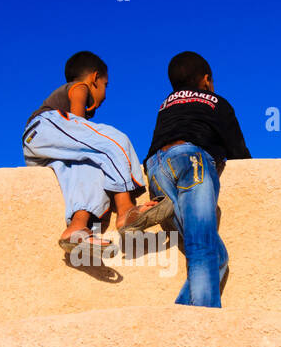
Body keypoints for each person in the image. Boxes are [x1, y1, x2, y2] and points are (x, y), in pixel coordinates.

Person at [22, 50, 163, 255]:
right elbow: (77, 125)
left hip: (44, 150)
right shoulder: (79, 88)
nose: (105, 93)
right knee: (115, 140)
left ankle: (77, 226)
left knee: (89, 170)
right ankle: (125, 209)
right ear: (95, 78)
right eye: (106, 85)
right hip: (44, 128)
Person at [143, 51, 251, 307]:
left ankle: (178, 320)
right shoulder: (215, 102)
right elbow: (239, 152)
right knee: (203, 250)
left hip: (157, 168)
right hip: (192, 162)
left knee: (216, 256)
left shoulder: (166, 105)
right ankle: (203, 334)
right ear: (206, 80)